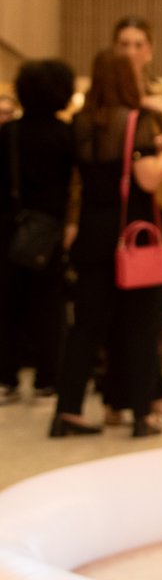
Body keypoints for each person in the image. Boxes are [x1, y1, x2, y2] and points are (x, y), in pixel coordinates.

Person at [50, 47, 162, 439]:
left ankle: (66, 411)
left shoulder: (80, 123)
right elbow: (149, 179)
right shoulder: (135, 123)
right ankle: (141, 414)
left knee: (85, 327)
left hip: (91, 232)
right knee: (140, 325)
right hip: (131, 236)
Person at [110, 15, 162, 427]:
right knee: (116, 308)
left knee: (157, 302)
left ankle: (153, 391)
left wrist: (156, 114)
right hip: (111, 210)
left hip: (153, 213)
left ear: (149, 49)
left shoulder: (159, 95)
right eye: (123, 44)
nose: (130, 51)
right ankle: (123, 394)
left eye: (137, 44)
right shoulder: (104, 95)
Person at [0, 58, 77, 403]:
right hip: (51, 232)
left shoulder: (8, 133)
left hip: (9, 230)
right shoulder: (66, 137)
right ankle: (49, 377)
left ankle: (6, 377)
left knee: (7, 305)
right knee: (49, 306)